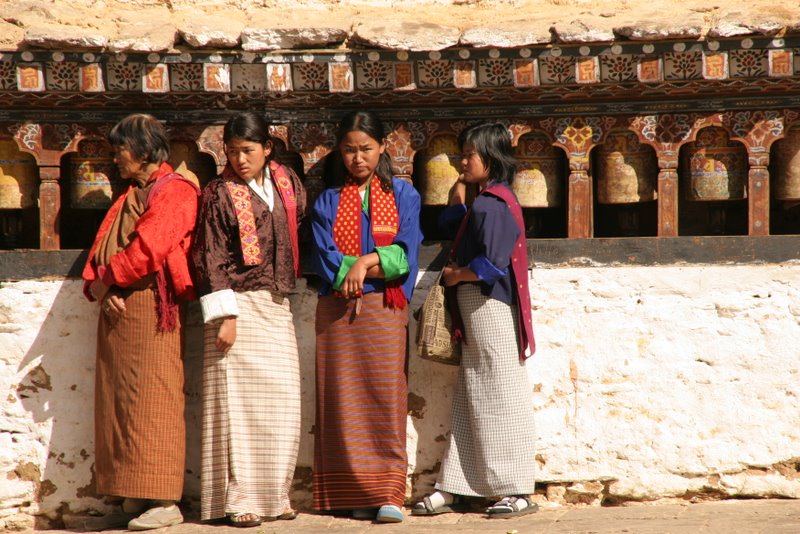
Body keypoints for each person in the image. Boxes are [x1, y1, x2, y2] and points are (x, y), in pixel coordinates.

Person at [412, 122, 537, 519]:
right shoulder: (484, 201)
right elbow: (456, 227)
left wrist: (455, 276)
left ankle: (517, 489)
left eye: (470, 155)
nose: (462, 161)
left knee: (500, 394)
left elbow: (491, 264)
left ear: (492, 159)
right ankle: (458, 485)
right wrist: (457, 195)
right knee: (472, 396)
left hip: (490, 309)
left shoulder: (493, 204)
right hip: (477, 311)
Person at [81, 114, 200, 530]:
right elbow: (104, 246)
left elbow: (150, 247)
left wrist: (109, 279)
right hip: (122, 306)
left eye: (120, 150)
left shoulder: (177, 191)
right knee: (120, 400)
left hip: (153, 306)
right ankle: (133, 490)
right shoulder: (135, 191)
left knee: (155, 399)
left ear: (145, 151)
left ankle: (165, 498)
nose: (115, 159)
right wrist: (102, 286)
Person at [192, 111, 306, 527]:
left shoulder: (288, 184)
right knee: (236, 410)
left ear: (268, 148)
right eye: (233, 151)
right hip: (236, 308)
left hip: (276, 305)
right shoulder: (218, 193)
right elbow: (210, 256)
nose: (240, 159)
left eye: (248, 150)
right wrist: (225, 316)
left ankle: (275, 496)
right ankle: (238, 500)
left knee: (282, 403)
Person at [310, 110, 423, 523]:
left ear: (382, 149)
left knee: (385, 397)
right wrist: (362, 267)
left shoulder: (404, 196)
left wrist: (363, 264)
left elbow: (405, 258)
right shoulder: (325, 201)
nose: (357, 159)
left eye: (366, 149)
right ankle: (349, 494)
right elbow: (326, 260)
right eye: (349, 150)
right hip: (338, 312)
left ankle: (388, 492)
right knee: (341, 400)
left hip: (384, 310)